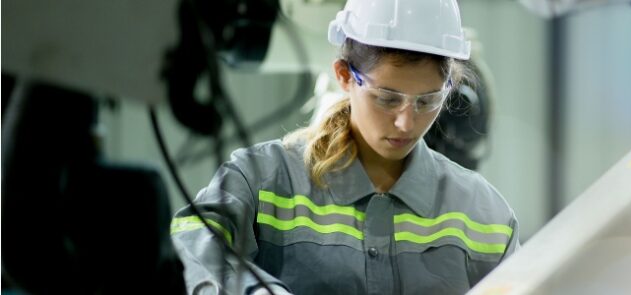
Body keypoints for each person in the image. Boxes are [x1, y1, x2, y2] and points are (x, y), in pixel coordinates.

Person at [169, 0, 520, 293]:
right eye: (386, 98)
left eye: (427, 101)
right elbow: (191, 241)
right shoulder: (262, 179)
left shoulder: (486, 216)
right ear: (343, 75)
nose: (406, 123)